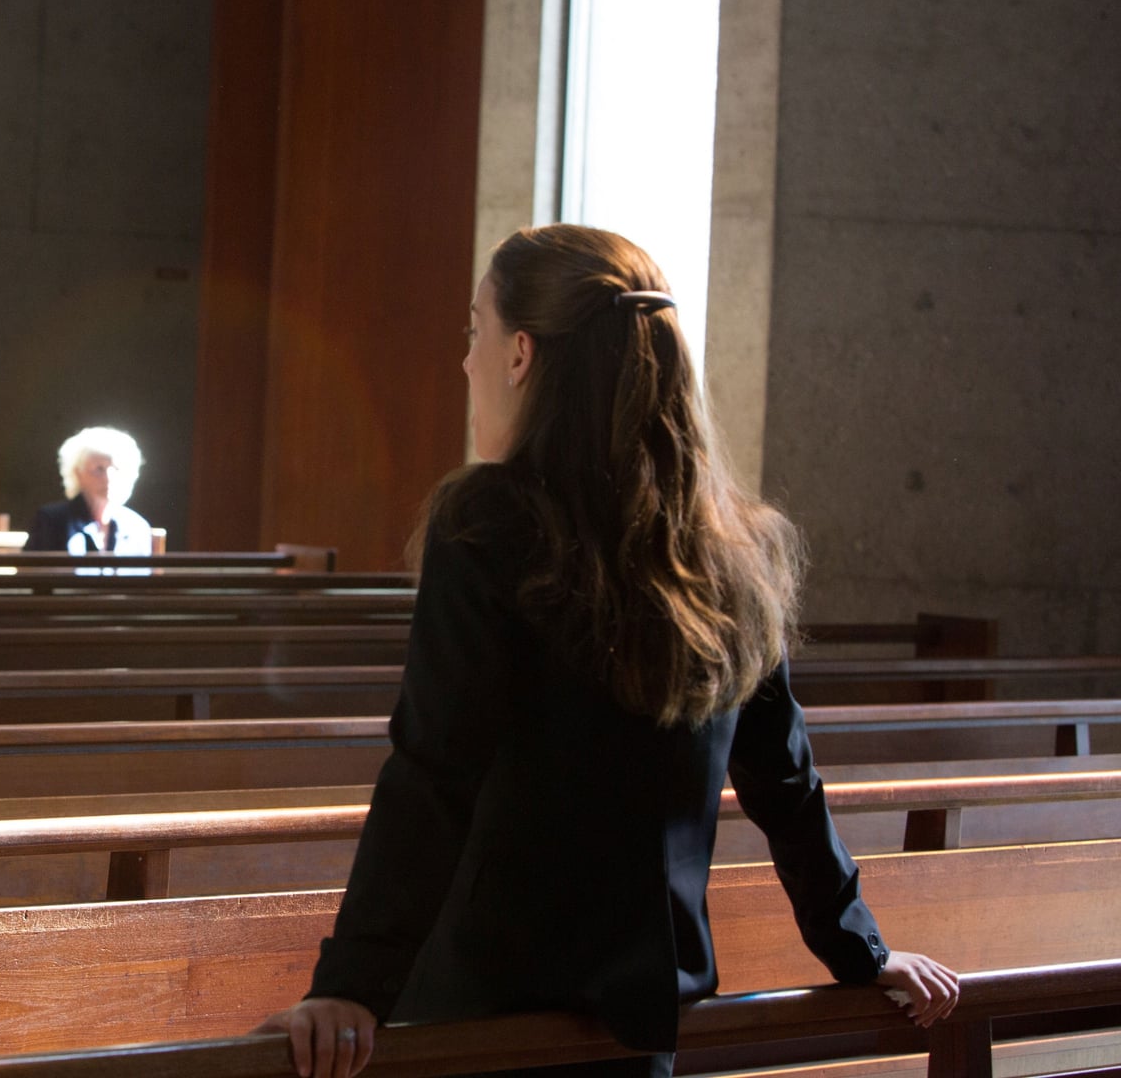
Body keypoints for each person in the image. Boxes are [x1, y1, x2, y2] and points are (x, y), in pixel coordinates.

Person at [256, 224, 959, 1078]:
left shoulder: (489, 523)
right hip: (643, 1013)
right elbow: (784, 779)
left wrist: (354, 984)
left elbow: (433, 773)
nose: (465, 361)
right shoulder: (735, 545)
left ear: (520, 353)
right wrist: (859, 949)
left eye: (473, 332)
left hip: (490, 1002)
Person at [22, 425, 154, 554]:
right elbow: (31, 572)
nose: (108, 478)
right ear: (78, 473)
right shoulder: (52, 520)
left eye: (116, 469)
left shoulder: (137, 527)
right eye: (99, 469)